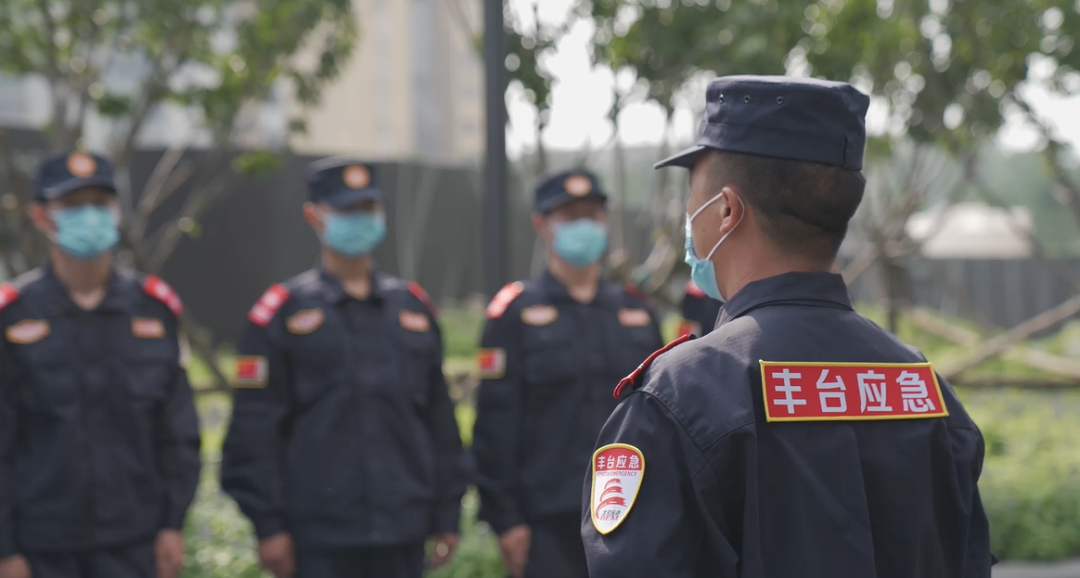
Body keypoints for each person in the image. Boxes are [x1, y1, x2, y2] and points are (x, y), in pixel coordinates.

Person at [581, 76, 994, 577]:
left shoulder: (678, 398)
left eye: (692, 194)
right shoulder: (926, 391)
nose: (688, 213)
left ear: (726, 209)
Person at [220, 158, 467, 578]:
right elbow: (253, 431)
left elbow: (439, 422)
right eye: (346, 209)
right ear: (314, 216)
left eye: (368, 208)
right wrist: (269, 526)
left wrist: (447, 512)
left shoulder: (413, 310)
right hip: (316, 537)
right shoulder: (280, 315)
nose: (360, 219)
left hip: (401, 532)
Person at [0, 152, 201, 578]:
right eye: (72, 204)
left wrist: (172, 523)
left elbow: (178, 431)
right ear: (41, 215)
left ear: (116, 211)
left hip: (136, 546)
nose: (89, 215)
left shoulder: (154, 310)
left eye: (100, 202)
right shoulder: (12, 317)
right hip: (40, 551)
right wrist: (5, 548)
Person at [472, 169, 664, 578]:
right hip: (547, 522)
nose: (584, 226)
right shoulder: (513, 314)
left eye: (591, 215)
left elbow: (660, 414)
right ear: (542, 224)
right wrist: (506, 519)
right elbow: (495, 425)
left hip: (631, 510)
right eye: (570, 216)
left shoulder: (636, 311)